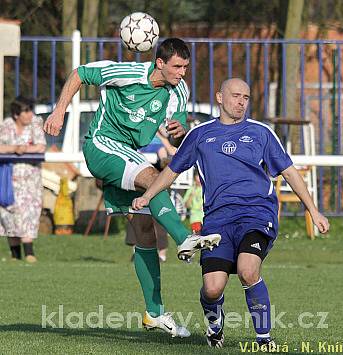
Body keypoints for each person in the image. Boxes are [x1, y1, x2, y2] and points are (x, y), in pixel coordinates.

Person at [132, 78, 330, 349]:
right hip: (217, 221)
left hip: (256, 214)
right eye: (236, 96)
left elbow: (289, 171)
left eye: (246, 97)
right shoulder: (200, 135)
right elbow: (172, 171)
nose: (241, 102)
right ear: (220, 98)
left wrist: (314, 210)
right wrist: (147, 195)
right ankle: (215, 326)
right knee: (212, 289)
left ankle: (264, 339)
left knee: (248, 270)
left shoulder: (261, 133)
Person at [43, 38, 220, 337]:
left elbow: (176, 137)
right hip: (102, 145)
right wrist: (59, 110)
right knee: (153, 177)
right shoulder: (125, 73)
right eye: (177, 66)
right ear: (160, 63)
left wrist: (180, 132)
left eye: (186, 67)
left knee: (145, 232)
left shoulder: (179, 91)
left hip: (128, 155)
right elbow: (80, 73)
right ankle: (184, 238)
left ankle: (155, 313)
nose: (182, 72)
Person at [0, 96, 46, 263]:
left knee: (27, 213)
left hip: (29, 180)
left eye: (30, 110)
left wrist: (23, 149)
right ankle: (15, 255)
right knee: (7, 214)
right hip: (8, 179)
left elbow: (40, 146)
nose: (29, 114)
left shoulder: (35, 123)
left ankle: (29, 254)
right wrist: (14, 149)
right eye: (25, 111)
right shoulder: (6, 126)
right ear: (16, 114)